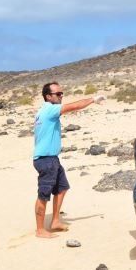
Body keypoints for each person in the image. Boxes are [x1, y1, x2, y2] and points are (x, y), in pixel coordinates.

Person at [33, 82, 105, 238]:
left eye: (61, 93)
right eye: (58, 94)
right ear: (48, 96)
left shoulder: (43, 111)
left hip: (51, 159)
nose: (61, 96)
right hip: (46, 160)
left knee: (62, 187)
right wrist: (93, 99)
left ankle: (55, 221)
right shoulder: (50, 110)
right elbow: (73, 106)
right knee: (43, 195)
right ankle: (40, 230)